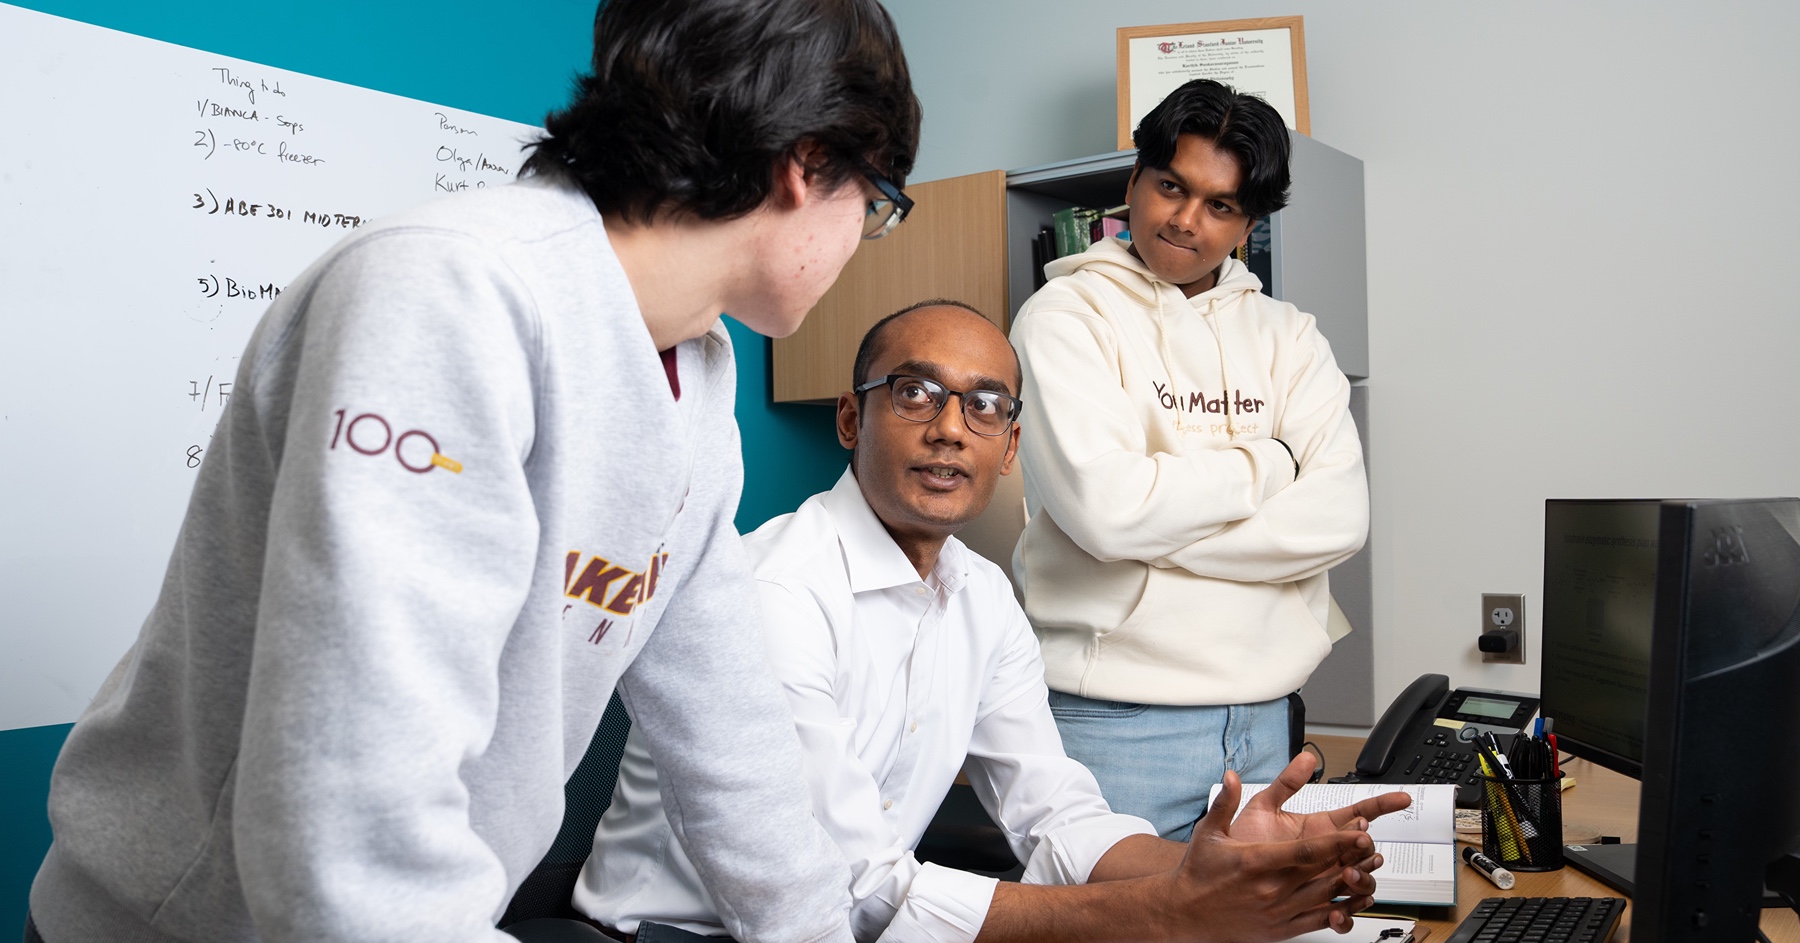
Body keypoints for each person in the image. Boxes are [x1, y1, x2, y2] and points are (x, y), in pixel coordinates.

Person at [25, 2, 920, 942]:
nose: (863, 239)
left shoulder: (698, 370)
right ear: (808, 162)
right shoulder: (448, 294)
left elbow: (734, 738)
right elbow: (352, 850)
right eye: (876, 204)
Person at [572, 301, 1406, 943]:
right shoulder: (774, 589)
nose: (948, 428)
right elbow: (856, 886)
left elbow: (1057, 811)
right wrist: (1169, 909)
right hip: (673, 934)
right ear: (850, 419)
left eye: (984, 406)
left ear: (1009, 449)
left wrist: (1214, 864)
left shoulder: (980, 594)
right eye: (914, 392)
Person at [1007, 79, 1371, 841]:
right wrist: (1269, 465)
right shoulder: (1064, 320)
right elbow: (1108, 513)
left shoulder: (1290, 337)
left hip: (1268, 725)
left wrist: (1155, 528)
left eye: (1220, 205)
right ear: (1134, 180)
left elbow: (1339, 516)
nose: (1185, 220)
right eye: (1171, 186)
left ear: (1249, 223)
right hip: (1114, 726)